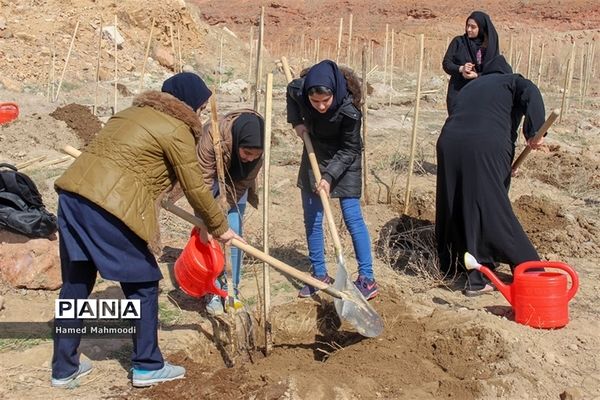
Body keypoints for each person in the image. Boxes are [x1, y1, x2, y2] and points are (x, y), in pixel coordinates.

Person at [51, 72, 242, 388]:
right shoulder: (178, 129)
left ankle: (63, 368)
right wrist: (219, 226)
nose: (200, 113)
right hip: (108, 207)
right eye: (201, 106)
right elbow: (195, 186)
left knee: (76, 283)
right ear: (188, 103)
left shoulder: (129, 113)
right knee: (143, 284)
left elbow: (135, 162)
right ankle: (147, 365)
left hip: (73, 197)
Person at [435, 55, 546, 296]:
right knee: (490, 205)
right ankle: (530, 268)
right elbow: (531, 91)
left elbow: (484, 119)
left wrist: (502, 164)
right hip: (482, 144)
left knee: (461, 204)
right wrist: (534, 130)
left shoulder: (472, 86)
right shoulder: (511, 81)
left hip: (449, 142)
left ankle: (472, 272)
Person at [286, 59, 378, 300]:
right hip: (314, 151)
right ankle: (319, 275)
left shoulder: (350, 111)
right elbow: (290, 92)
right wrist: (296, 122)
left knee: (351, 215)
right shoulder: (300, 89)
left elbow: (349, 150)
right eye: (314, 102)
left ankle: (367, 278)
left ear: (334, 93)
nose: (320, 107)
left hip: (345, 157)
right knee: (313, 217)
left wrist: (328, 177)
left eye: (325, 101)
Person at [196, 109, 265, 315]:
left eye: (255, 155)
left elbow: (241, 185)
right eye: (246, 153)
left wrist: (222, 215)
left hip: (236, 184)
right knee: (211, 236)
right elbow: (202, 182)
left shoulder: (256, 155)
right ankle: (213, 289)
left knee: (233, 233)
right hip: (209, 181)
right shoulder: (212, 135)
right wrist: (208, 220)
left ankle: (231, 289)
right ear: (237, 144)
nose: (250, 158)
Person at [442, 11, 499, 115]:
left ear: (481, 28)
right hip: (458, 92)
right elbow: (446, 63)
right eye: (467, 26)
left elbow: (494, 71)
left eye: (473, 27)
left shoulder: (488, 48)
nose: (469, 29)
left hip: (480, 93)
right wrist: (461, 68)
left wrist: (477, 75)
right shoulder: (459, 42)